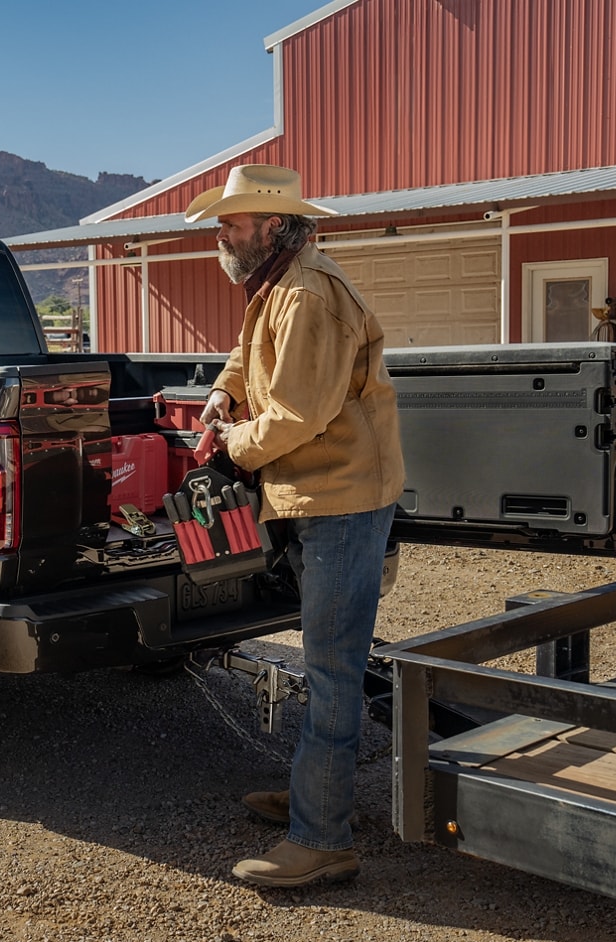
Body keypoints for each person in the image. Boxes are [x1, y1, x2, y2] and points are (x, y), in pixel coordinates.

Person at [185, 164, 405, 887]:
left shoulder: (307, 295)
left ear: (272, 226)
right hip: (319, 495)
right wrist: (221, 395)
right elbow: (248, 360)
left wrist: (229, 444)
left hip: (340, 501)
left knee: (332, 669)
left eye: (233, 221)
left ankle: (323, 840)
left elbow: (296, 416)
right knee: (324, 661)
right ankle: (316, 800)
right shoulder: (277, 282)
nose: (222, 231)